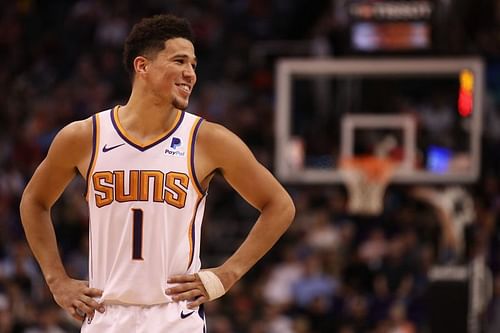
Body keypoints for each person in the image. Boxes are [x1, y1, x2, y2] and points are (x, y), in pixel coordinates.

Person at [19, 14, 295, 332]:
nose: (190, 74)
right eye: (179, 61)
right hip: (106, 314)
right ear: (143, 66)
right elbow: (34, 201)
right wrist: (56, 281)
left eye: (193, 65)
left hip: (175, 316)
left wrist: (227, 274)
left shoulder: (207, 139)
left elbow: (280, 205)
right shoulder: (85, 136)